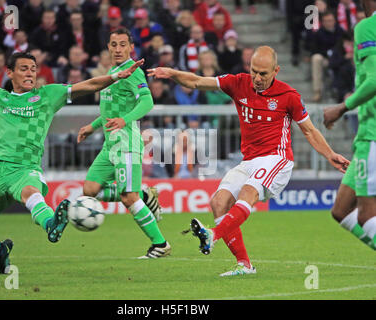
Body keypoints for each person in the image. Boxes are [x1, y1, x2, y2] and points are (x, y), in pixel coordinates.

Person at [148, 46, 350, 276]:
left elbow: (310, 131)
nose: (257, 78)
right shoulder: (238, 83)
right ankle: (245, 265)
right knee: (218, 203)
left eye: (263, 73)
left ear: (276, 70)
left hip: (277, 159)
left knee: (248, 193)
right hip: (250, 160)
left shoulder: (289, 96)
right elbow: (196, 81)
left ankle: (212, 235)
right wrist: (172, 73)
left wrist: (330, 154)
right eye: (254, 71)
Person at [0, 49, 143, 274]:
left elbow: (87, 85)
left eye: (33, 69)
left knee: (30, 191)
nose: (30, 74)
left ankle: (51, 223)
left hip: (24, 168)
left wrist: (114, 77)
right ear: (10, 73)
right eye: (24, 69)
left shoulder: (47, 96)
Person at [77, 28, 171, 259]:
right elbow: (111, 111)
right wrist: (92, 126)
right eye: (113, 45)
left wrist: (125, 120)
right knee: (89, 191)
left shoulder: (133, 72)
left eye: (122, 45)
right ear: (108, 47)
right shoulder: (113, 72)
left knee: (129, 197)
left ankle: (160, 244)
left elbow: (147, 102)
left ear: (131, 48)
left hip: (127, 144)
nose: (118, 49)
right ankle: (144, 195)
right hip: (110, 146)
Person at [323, 0, 376, 251]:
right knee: (341, 210)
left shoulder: (368, 26)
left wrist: (342, 108)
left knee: (367, 215)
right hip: (366, 137)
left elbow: (375, 79)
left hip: (373, 134)